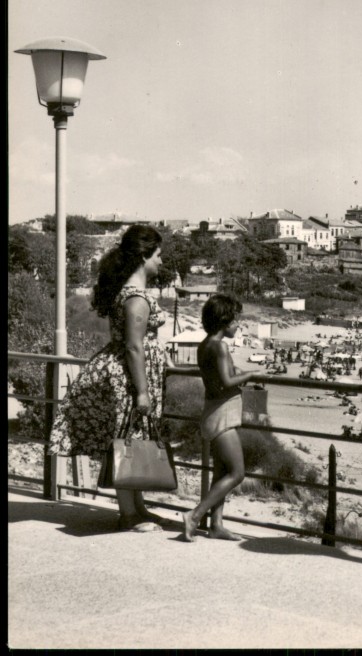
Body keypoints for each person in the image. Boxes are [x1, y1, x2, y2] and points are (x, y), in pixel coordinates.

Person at [48, 225, 170, 532]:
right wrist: (142, 392)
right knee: (127, 438)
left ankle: (138, 508)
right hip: (131, 377)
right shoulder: (137, 299)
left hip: (128, 372)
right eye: (158, 255)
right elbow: (133, 346)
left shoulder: (126, 293)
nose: (161, 262)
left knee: (133, 439)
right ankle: (128, 514)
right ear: (143, 257)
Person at [182, 295, 259, 542]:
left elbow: (217, 379)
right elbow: (227, 382)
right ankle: (195, 515)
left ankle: (216, 525)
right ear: (224, 321)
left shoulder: (205, 345)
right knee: (237, 473)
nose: (239, 325)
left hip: (213, 412)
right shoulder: (220, 346)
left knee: (221, 472)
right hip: (222, 416)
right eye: (236, 320)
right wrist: (251, 374)